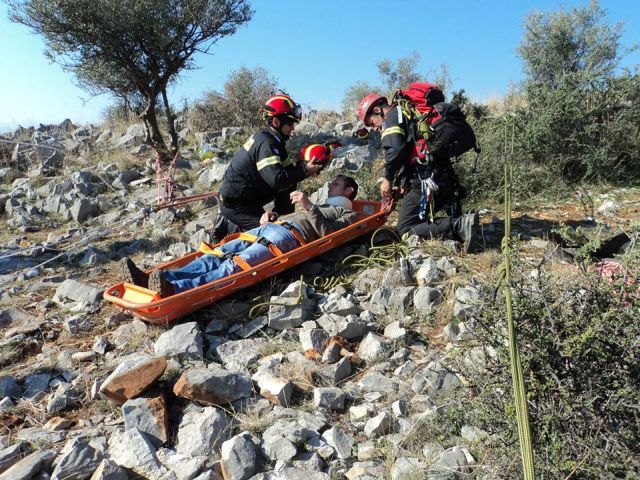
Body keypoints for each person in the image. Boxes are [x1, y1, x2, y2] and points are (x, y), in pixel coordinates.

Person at [121, 175, 359, 297]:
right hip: (270, 229)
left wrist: (308, 207)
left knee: (234, 266)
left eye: (336, 184)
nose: (330, 185)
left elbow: (329, 235)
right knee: (215, 256)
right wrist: (272, 216)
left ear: (348, 191)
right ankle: (152, 278)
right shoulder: (321, 205)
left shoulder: (346, 212)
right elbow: (309, 217)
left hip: (286, 238)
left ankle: (174, 288)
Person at [357, 93, 479, 251]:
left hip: (426, 180)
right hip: (442, 178)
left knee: (405, 228)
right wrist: (401, 189)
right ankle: (456, 215)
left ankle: (460, 225)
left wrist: (388, 180)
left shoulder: (392, 116)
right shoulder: (408, 112)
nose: (375, 128)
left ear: (378, 110)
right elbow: (411, 150)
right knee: (420, 216)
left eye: (371, 122)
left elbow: (395, 150)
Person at [214, 93, 324, 237]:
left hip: (248, 199)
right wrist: (304, 171)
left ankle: (282, 219)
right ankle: (229, 225)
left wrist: (305, 166)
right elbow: (276, 180)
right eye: (290, 124)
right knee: (272, 232)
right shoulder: (267, 144)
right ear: (276, 122)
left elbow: (288, 174)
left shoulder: (274, 141)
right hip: (237, 206)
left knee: (289, 183)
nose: (292, 128)